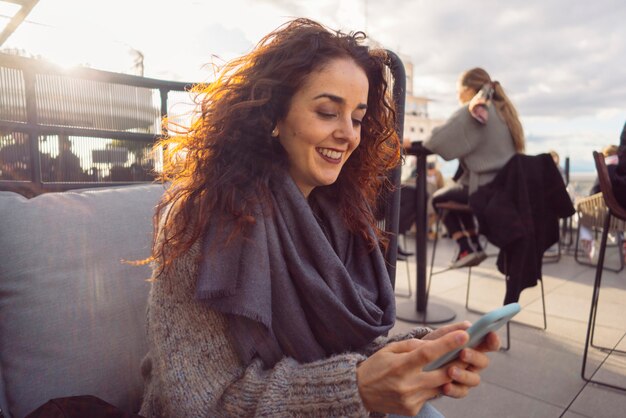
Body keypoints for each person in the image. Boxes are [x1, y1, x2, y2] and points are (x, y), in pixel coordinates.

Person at [139, 19, 500, 418]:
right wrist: (356, 390)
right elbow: (201, 403)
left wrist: (421, 352)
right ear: (273, 116)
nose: (348, 134)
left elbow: (343, 351)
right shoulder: (202, 217)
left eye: (358, 118)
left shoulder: (339, 217)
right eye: (328, 112)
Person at [424, 68, 525, 268]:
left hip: (483, 189)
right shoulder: (504, 111)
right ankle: (474, 247)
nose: (457, 96)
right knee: (455, 192)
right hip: (505, 190)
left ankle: (465, 247)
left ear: (468, 90)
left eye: (457, 90)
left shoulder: (477, 109)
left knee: (437, 198)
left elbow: (434, 142)